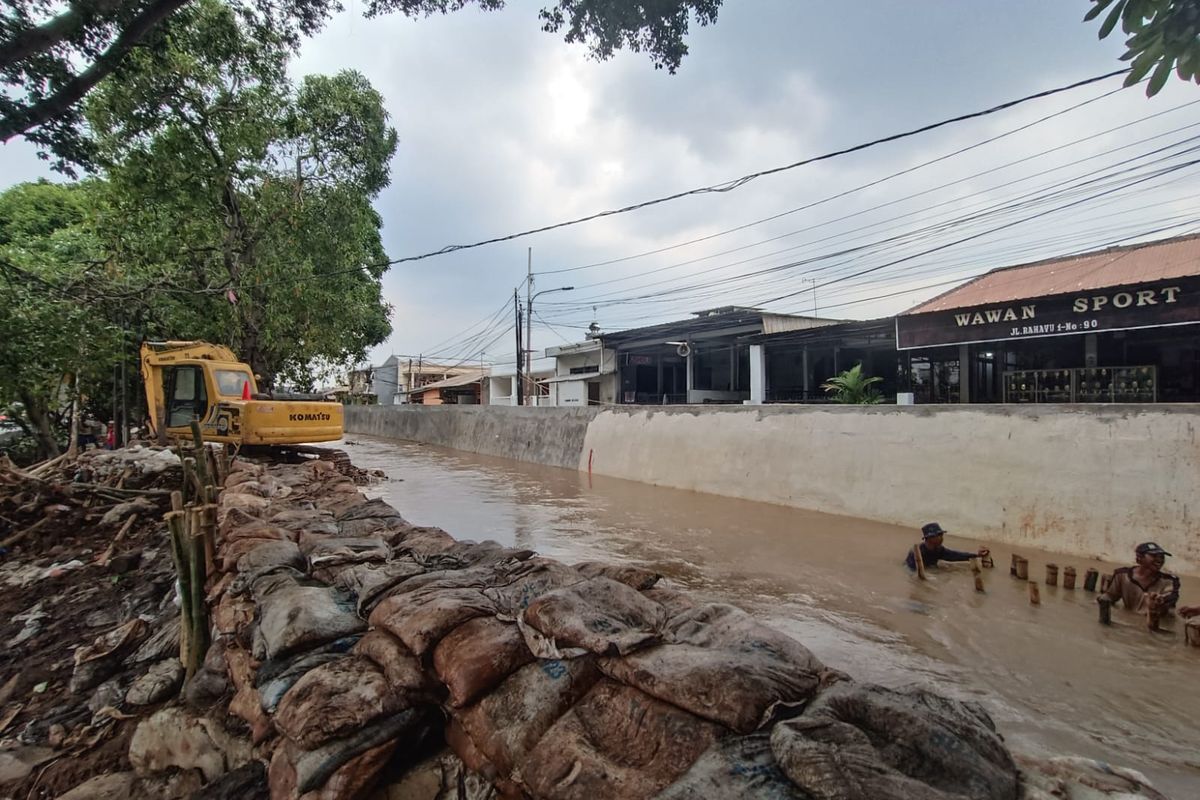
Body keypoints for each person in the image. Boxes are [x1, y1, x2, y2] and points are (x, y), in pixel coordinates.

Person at [1098, 542, 1180, 614]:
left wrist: (1160, 599)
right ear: (1139, 558)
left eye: (1162, 557)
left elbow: (1171, 597)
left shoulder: (1170, 580)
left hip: (1156, 623)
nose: (1159, 560)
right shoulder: (1122, 575)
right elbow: (1110, 597)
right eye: (1154, 555)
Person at [905, 522, 990, 570]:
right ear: (929, 538)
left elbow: (955, 556)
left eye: (941, 535)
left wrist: (976, 555)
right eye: (938, 536)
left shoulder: (939, 550)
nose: (941, 538)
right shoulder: (916, 553)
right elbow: (911, 573)